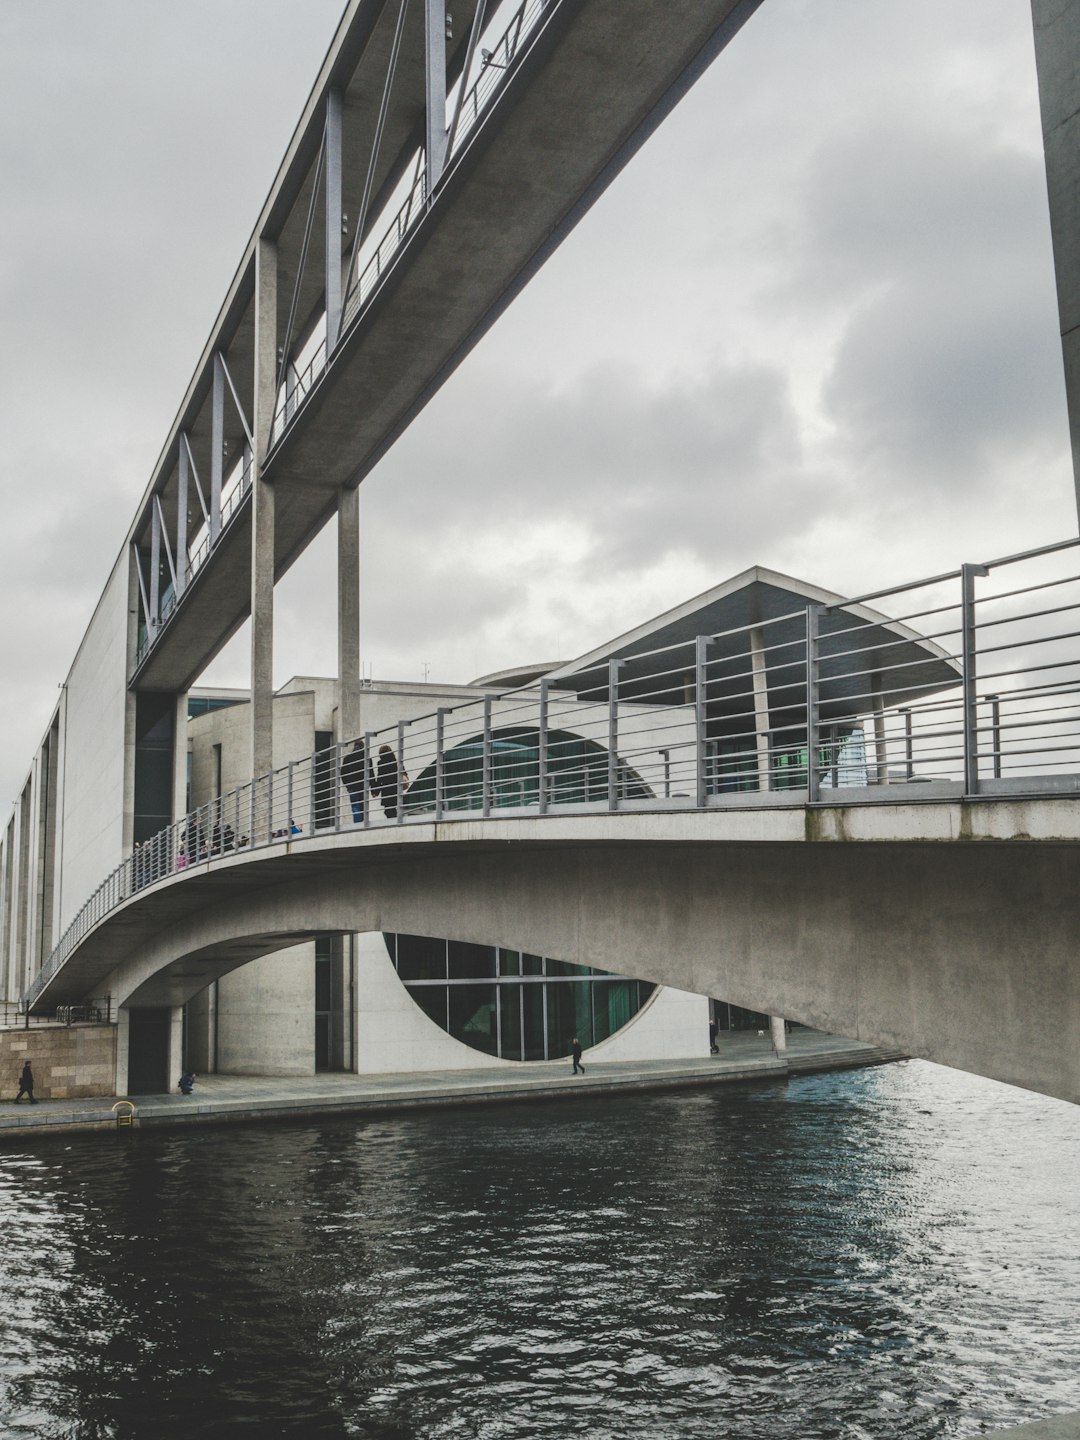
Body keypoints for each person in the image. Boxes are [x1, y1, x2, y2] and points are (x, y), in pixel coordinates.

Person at [340, 740, 371, 824]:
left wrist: (348, 785)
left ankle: (358, 825)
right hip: (363, 786)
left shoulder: (347, 758)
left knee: (355, 807)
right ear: (362, 746)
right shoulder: (366, 757)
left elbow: (343, 773)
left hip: (352, 787)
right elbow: (370, 773)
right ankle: (363, 823)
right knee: (363, 806)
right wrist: (373, 788)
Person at [374, 744, 406, 820]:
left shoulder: (381, 763)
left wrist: (376, 791)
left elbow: (380, 777)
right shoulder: (396, 761)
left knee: (388, 810)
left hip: (386, 789)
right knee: (392, 808)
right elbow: (404, 772)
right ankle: (395, 820)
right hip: (396, 788)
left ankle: (393, 821)